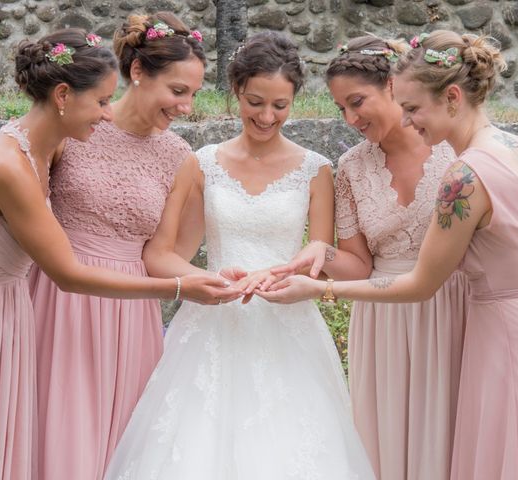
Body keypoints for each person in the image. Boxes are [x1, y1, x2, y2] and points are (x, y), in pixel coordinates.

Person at [259, 30, 518, 480]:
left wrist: (319, 289)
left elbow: (421, 284)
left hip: (509, 337)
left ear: (452, 97)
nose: (411, 120)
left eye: (412, 107)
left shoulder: (463, 173)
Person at [0, 28, 237, 480]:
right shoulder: (46, 147)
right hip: (48, 302)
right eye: (178, 90)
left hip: (124, 309)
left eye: (194, 94)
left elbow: (164, 251)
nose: (187, 106)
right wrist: (180, 287)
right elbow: (60, 265)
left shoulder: (173, 155)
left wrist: (209, 280)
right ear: (137, 72)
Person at [104, 31, 376, 479]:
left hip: (289, 329)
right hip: (212, 325)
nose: (267, 116)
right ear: (236, 92)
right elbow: (164, 256)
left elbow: (322, 257)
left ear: (294, 103)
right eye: (255, 102)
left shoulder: (316, 170)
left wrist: (314, 257)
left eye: (280, 106)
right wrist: (201, 280)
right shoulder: (202, 163)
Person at [273, 35, 467, 480]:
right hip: (382, 323)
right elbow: (357, 264)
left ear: (395, 87)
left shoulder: (455, 149)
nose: (350, 119)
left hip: (455, 310)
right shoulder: (350, 170)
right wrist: (317, 251)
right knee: (384, 445)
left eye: (357, 102)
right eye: (341, 108)